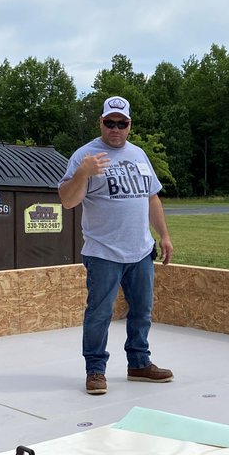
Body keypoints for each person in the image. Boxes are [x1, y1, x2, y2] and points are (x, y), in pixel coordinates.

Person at [59, 96, 175, 395]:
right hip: (103, 253)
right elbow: (68, 200)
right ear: (100, 122)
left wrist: (164, 235)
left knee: (142, 311)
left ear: (129, 125)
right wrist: (84, 172)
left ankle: (139, 363)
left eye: (121, 123)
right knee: (99, 313)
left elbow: (151, 198)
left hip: (140, 251)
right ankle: (95, 370)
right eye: (109, 123)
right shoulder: (85, 156)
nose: (115, 128)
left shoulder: (139, 155)